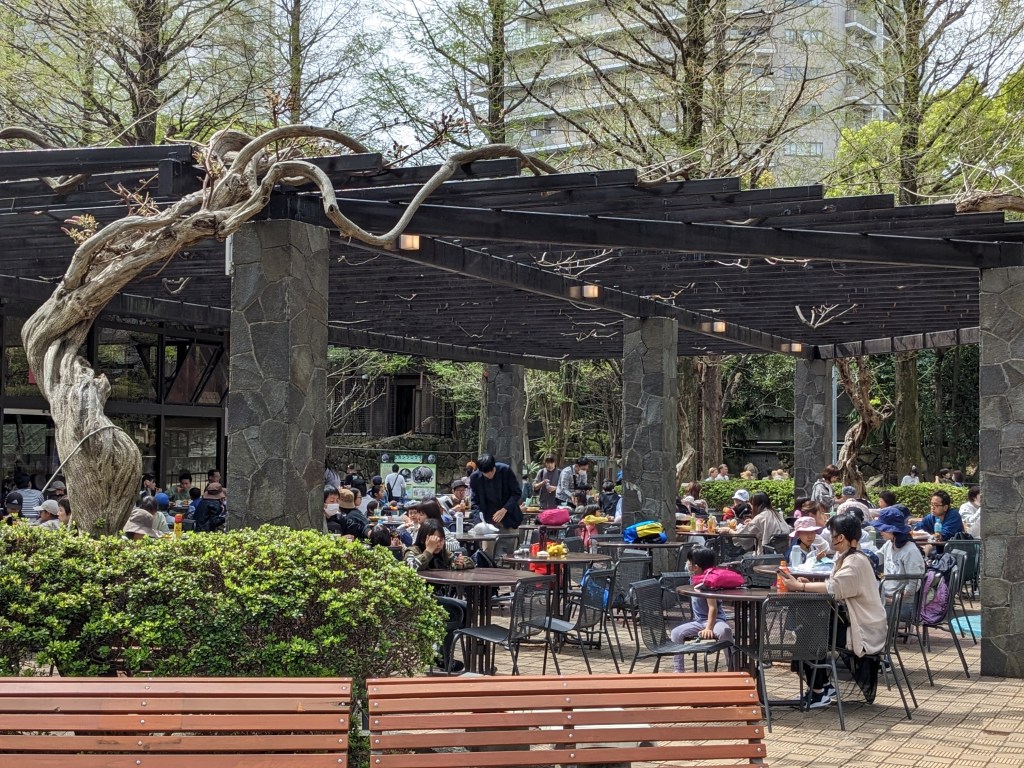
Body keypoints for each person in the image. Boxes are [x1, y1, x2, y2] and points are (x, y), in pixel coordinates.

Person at [779, 513, 887, 708]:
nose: (829, 537)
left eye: (831, 533)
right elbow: (834, 584)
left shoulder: (854, 562)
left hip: (862, 629)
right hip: (854, 622)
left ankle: (819, 691)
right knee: (809, 628)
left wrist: (800, 587)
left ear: (841, 538)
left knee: (806, 635)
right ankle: (823, 686)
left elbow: (835, 588)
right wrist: (807, 584)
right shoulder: (848, 557)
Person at [669, 546, 734, 671]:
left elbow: (712, 607)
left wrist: (709, 628)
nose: (687, 564)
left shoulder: (707, 582)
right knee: (676, 633)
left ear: (696, 567)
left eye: (689, 562)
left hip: (716, 621)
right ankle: (678, 671)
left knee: (725, 631)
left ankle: (733, 667)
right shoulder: (695, 578)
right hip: (699, 622)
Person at [869, 506, 925, 620]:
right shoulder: (889, 544)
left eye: (883, 529)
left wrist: (895, 599)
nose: (880, 532)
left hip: (903, 605)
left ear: (892, 530)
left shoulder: (910, 551)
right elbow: (877, 558)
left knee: (863, 612)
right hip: (887, 597)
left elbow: (914, 584)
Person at [469, 454, 522, 532]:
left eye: (492, 471)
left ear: (494, 466)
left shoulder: (505, 470)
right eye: (486, 473)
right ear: (480, 471)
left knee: (510, 542)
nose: (490, 474)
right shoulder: (475, 478)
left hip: (509, 518)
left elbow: (516, 493)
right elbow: (475, 502)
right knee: (486, 543)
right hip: (487, 522)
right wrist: (479, 523)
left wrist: (505, 509)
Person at [405, 519, 473, 571]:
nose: (438, 544)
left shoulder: (444, 553)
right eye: (434, 540)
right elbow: (410, 567)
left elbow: (471, 562)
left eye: (441, 540)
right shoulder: (413, 551)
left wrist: (461, 563)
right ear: (423, 540)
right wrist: (428, 551)